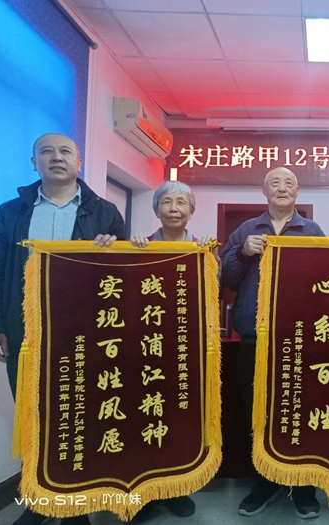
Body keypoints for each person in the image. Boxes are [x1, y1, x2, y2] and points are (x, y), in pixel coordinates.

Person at [0, 133, 125, 525]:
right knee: (32, 417)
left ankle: (75, 505)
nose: (56, 157)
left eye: (65, 151)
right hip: (25, 331)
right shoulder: (10, 212)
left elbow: (123, 278)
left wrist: (112, 251)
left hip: (85, 333)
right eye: (47, 152)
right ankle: (38, 501)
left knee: (80, 416)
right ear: (33, 162)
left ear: (79, 162)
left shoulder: (105, 213)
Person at [220, 167, 324, 519]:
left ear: (298, 191)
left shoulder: (312, 231)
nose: (282, 188)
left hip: (301, 343)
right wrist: (242, 253)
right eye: (275, 183)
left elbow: (327, 281)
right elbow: (225, 278)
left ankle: (303, 487)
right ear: (263, 190)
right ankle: (263, 484)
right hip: (255, 340)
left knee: (300, 413)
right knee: (257, 415)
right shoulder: (246, 230)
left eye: (289, 183)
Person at [129, 180, 211, 522]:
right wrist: (129, 253)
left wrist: (211, 259)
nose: (174, 209)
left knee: (181, 418)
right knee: (144, 417)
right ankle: (145, 491)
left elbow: (215, 293)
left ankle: (176, 489)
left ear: (191, 211)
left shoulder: (204, 249)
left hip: (186, 351)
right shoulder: (139, 246)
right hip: (145, 351)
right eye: (167, 202)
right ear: (156, 209)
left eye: (181, 203)